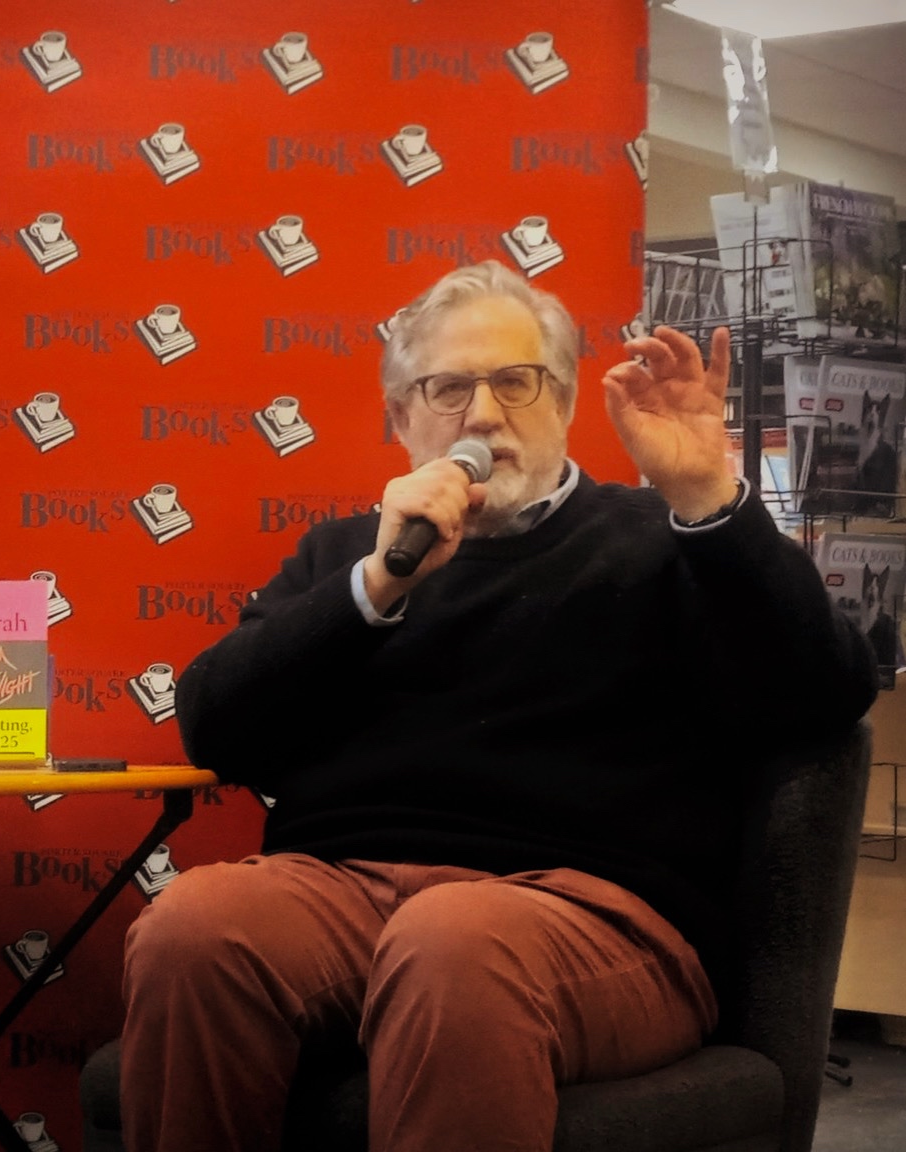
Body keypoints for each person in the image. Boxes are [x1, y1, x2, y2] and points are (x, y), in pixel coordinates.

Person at [120, 261, 877, 1152]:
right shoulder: (351, 557)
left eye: (515, 382)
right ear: (400, 418)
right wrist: (375, 585)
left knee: (452, 940)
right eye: (447, 388)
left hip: (595, 919)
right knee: (195, 928)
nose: (482, 415)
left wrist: (708, 498)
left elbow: (826, 693)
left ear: (562, 403)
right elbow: (215, 727)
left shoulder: (662, 540)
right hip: (344, 896)